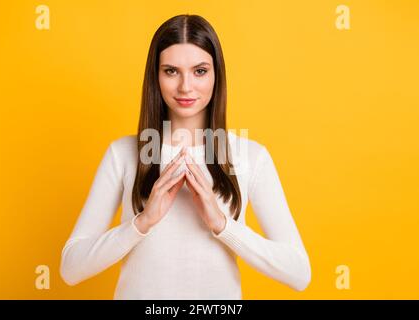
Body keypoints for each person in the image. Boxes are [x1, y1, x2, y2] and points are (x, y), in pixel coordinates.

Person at [60, 14, 311, 299]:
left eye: (200, 71)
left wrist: (222, 225)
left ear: (217, 75)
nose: (185, 87)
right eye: (171, 71)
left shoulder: (250, 157)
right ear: (155, 76)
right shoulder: (123, 154)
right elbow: (71, 268)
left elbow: (299, 273)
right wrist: (143, 222)